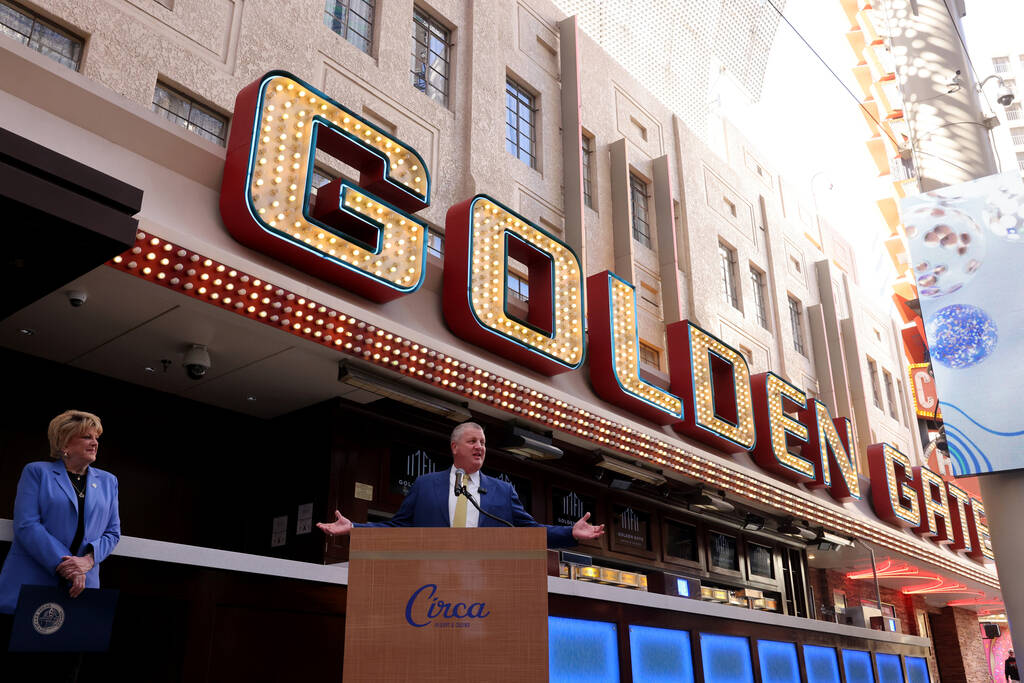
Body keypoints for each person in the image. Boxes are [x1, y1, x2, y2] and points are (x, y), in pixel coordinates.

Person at [318, 421, 604, 547]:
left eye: (483, 443)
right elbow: (397, 528)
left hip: (483, 582)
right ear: (455, 447)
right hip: (430, 582)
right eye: (472, 441)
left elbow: (530, 531)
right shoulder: (425, 484)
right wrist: (355, 528)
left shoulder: (503, 492)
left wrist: (571, 533)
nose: (479, 447)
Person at [0, 410, 121, 615]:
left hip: (82, 585)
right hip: (33, 578)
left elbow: (112, 532)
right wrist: (67, 566)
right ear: (65, 444)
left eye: (96, 438)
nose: (95, 443)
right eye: (86, 437)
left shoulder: (109, 482)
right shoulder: (37, 472)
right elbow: (27, 525)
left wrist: (87, 561)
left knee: (72, 645)